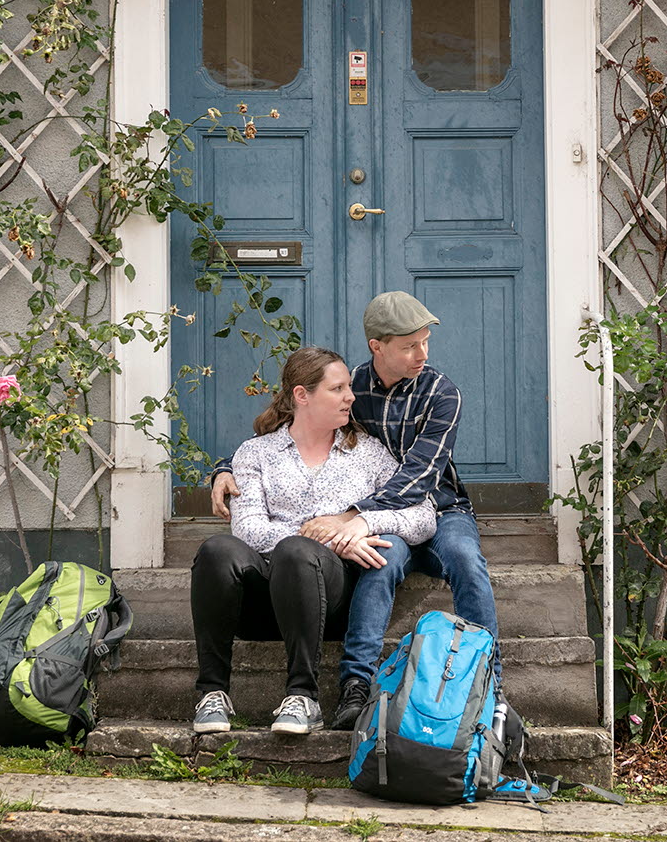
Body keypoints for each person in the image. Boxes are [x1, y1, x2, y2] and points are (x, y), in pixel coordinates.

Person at [211, 291, 498, 731]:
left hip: (438, 507)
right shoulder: (352, 387)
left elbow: (420, 478)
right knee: (379, 562)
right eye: (409, 346)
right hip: (385, 521)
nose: (422, 353)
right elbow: (288, 428)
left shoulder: (441, 393)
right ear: (377, 347)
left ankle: (489, 683)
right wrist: (226, 467)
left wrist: (354, 518)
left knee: (465, 560)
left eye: (426, 342)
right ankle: (355, 684)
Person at [190, 346, 436, 736]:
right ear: (302, 395)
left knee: (297, 551)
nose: (350, 397)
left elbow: (423, 515)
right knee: (216, 550)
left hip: (332, 603)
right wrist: (325, 535)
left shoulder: (367, 453)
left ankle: (303, 696)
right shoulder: (257, 453)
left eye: (349, 388)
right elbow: (248, 529)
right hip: (267, 603)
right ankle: (212, 693)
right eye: (337, 389)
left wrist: (358, 524)